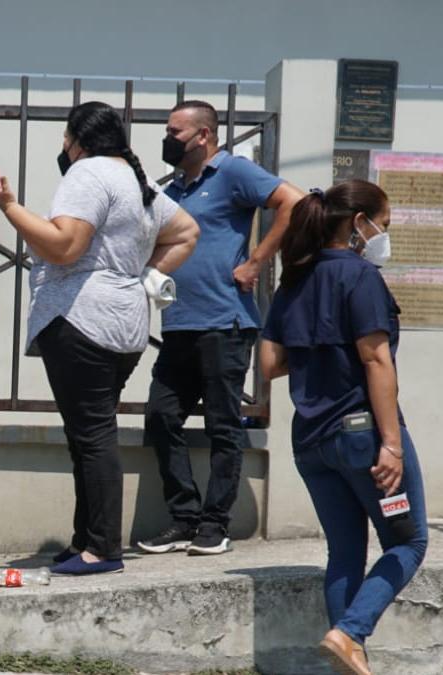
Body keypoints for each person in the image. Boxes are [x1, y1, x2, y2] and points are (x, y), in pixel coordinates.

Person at [0, 101, 200, 576]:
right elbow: (187, 231)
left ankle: (102, 548)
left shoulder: (87, 174)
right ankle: (84, 540)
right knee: (87, 434)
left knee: (92, 436)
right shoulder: (135, 180)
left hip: (82, 319)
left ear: (79, 140)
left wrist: (9, 207)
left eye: (65, 139)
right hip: (124, 324)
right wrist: (141, 276)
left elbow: (64, 247)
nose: (63, 148)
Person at [259, 181, 427, 675]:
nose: (383, 236)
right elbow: (376, 360)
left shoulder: (294, 278)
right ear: (359, 223)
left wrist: (318, 347)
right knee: (408, 543)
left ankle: (346, 658)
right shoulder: (360, 276)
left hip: (311, 441)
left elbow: (269, 364)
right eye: (383, 225)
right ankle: (351, 632)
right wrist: (391, 444)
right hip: (362, 437)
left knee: (346, 552)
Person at [140, 100, 305, 556]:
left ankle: (215, 525)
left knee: (222, 424)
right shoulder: (174, 187)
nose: (168, 139)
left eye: (175, 132)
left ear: (204, 136)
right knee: (160, 417)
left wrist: (256, 262)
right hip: (179, 323)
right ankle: (184, 518)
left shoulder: (233, 171)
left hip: (225, 322)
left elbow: (294, 202)